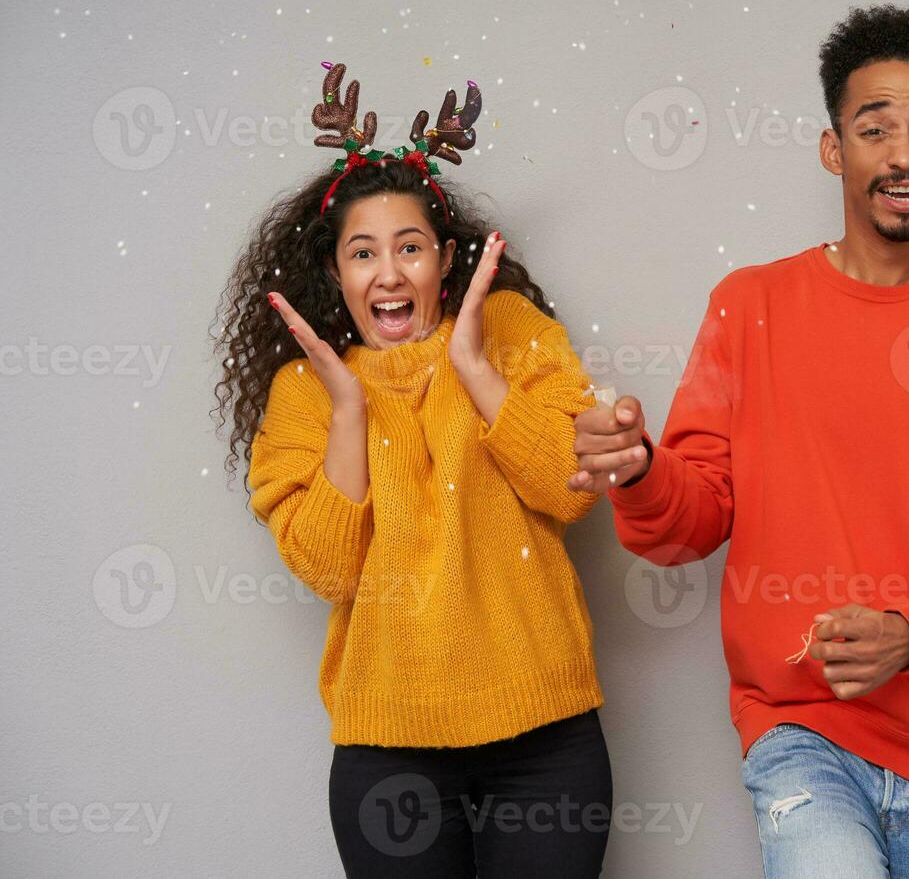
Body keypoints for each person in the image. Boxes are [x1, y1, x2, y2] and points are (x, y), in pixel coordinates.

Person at [569, 5, 909, 878]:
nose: (905, 153)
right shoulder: (752, 304)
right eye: (875, 127)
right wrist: (641, 470)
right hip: (801, 725)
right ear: (833, 149)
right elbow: (689, 520)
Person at [212, 63, 613, 877]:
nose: (388, 272)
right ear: (336, 274)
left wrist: (472, 364)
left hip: (546, 740)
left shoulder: (505, 329)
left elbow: (567, 492)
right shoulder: (305, 392)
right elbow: (327, 567)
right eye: (363, 253)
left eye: (409, 248)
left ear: (446, 258)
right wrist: (351, 412)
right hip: (389, 754)